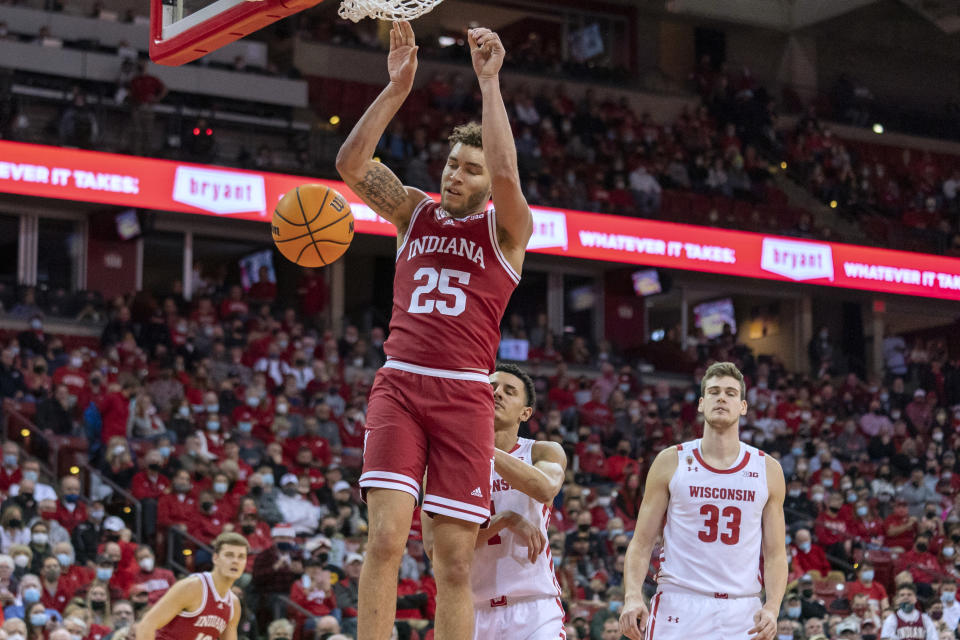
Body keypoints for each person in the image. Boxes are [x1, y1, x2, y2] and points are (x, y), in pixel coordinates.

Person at [335, 19, 532, 640]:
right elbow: (350, 163)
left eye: (469, 170)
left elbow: (506, 172)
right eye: (451, 164)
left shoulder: (507, 233)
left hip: (463, 395)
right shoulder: (412, 211)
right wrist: (396, 88)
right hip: (399, 386)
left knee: (451, 562)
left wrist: (489, 81)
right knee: (386, 539)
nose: (455, 176)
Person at [619, 362, 787, 640]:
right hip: (680, 601)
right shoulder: (671, 461)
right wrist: (632, 595)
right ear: (700, 403)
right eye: (714, 392)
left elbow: (775, 553)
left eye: (731, 393)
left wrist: (772, 606)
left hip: (743, 607)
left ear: (743, 406)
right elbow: (642, 542)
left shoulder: (768, 469)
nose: (722, 398)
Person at [422, 364, 566, 639]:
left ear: (525, 413)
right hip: (470, 611)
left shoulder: (542, 451)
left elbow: (546, 489)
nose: (497, 393)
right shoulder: (445, 461)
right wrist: (505, 520)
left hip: (533, 608)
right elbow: (434, 549)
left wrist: (482, 447)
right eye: (491, 388)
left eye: (509, 391)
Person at [135, 533, 246, 640]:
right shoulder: (192, 587)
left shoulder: (233, 604)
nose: (235, 561)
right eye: (229, 555)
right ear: (215, 558)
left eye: (241, 557)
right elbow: (145, 626)